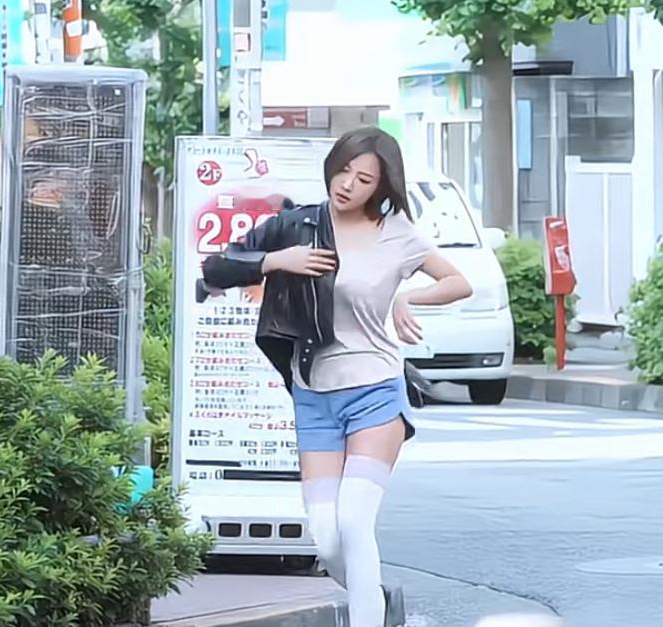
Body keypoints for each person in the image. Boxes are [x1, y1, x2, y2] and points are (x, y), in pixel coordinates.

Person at [201, 127, 472, 625]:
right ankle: (376, 600)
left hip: (375, 392)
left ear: (381, 186)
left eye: (363, 179)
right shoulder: (297, 225)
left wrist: (408, 297)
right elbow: (215, 268)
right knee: (327, 540)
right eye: (343, 170)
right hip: (314, 396)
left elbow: (458, 281)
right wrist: (276, 261)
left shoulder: (398, 235)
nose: (348, 184)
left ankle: (366, 616)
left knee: (353, 521)